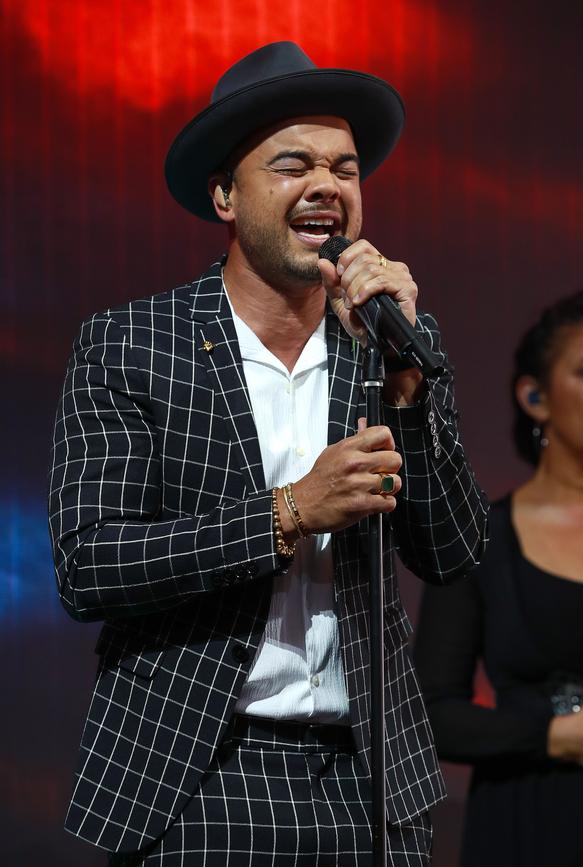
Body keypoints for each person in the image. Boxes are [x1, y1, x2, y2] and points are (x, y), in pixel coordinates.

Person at [48, 42, 487, 866]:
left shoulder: (388, 342)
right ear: (225, 194)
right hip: (197, 770)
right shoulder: (132, 344)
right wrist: (289, 510)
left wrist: (409, 390)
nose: (327, 185)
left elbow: (455, 551)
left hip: (369, 775)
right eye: (293, 164)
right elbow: (88, 564)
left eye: (346, 169)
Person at [414, 289, 583, 867]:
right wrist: (555, 735)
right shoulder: (480, 536)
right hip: (532, 821)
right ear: (535, 396)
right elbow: (432, 715)